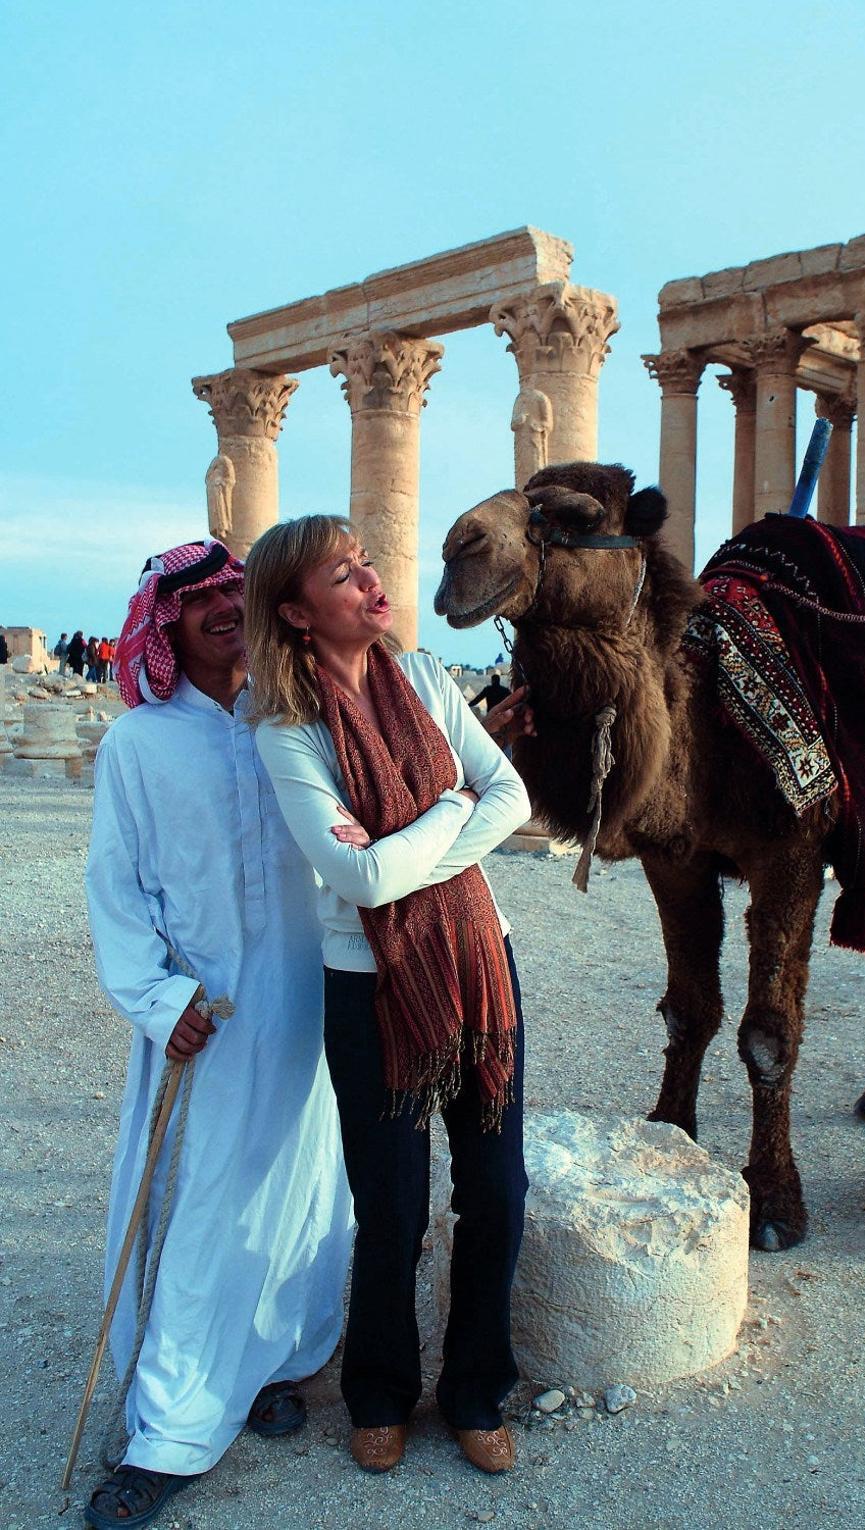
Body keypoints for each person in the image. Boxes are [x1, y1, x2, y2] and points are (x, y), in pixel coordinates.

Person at [245, 515, 532, 1478]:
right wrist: (454, 810)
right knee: (394, 1206)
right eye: (343, 573)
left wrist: (419, 830)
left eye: (366, 560)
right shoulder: (287, 733)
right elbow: (356, 885)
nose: (372, 579)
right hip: (369, 989)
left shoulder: (424, 680)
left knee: (496, 1192)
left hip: (477, 967)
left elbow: (513, 798)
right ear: (295, 613)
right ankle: (379, 1392)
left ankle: (477, 1389)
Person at [83, 538, 353, 1530]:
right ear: (166, 621)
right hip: (206, 1017)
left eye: (236, 594)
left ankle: (282, 1362)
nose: (222, 610)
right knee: (198, 1215)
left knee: (303, 1193)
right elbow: (116, 892)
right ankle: (171, 1430)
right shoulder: (140, 746)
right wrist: (158, 1001)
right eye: (198, 601)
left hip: (313, 1004)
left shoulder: (299, 722)